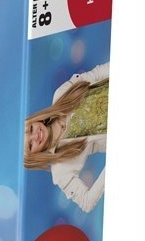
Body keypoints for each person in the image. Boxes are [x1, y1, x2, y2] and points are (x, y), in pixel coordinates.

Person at [24, 63, 108, 212]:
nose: (36, 135)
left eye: (31, 129)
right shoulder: (60, 171)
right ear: (33, 157)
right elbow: (86, 203)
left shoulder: (60, 95)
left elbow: (97, 74)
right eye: (30, 145)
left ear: (33, 120)